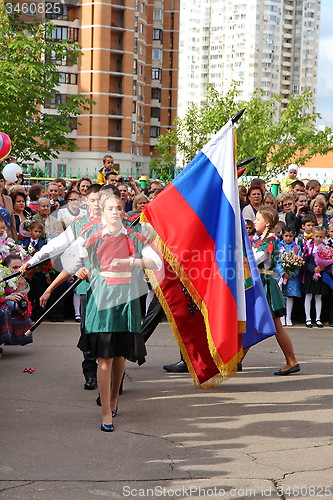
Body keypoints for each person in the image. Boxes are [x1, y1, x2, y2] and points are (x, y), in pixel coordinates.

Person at [66, 194, 161, 431]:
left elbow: (156, 262)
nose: (115, 212)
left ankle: (115, 398)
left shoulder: (136, 236)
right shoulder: (92, 236)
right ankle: (106, 411)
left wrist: (131, 262)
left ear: (124, 211)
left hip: (126, 300)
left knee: (119, 355)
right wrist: (81, 270)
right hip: (101, 300)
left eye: (119, 208)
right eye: (110, 208)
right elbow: (71, 260)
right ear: (103, 212)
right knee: (105, 356)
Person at [252, 207, 300, 375]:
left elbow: (254, 259)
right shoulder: (262, 239)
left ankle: (292, 361)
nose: (255, 222)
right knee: (251, 323)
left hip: (265, 285)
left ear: (267, 224)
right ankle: (236, 361)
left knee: (275, 325)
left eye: (258, 219)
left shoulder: (269, 241)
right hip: (259, 284)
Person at [0, 254, 33, 349]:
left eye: (20, 267)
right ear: (5, 268)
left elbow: (27, 306)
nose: (18, 270)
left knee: (26, 319)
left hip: (9, 310)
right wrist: (5, 299)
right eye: (14, 267)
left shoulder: (20, 282)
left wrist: (21, 311)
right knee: (4, 310)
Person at [302, 226, 329, 328]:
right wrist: (313, 269)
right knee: (308, 295)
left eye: (321, 237)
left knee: (318, 296)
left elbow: (329, 261)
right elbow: (304, 260)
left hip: (321, 274)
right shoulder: (308, 246)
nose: (318, 239)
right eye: (316, 236)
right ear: (312, 236)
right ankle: (308, 318)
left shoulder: (326, 247)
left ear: (324, 237)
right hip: (310, 274)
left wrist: (323, 267)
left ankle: (318, 318)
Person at [275, 226, 302, 326]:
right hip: (280, 276)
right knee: (281, 296)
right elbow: (275, 260)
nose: (288, 238)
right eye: (286, 235)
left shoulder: (296, 247)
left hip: (292, 276)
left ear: (294, 236)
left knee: (290, 296)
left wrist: (292, 273)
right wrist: (282, 272)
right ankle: (282, 317)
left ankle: (289, 317)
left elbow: (299, 260)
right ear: (282, 235)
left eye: (290, 236)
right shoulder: (278, 245)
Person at [0, 173, 17, 240]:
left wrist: (15, 240)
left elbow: (12, 221)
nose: (0, 184)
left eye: (1, 181)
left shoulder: (8, 199)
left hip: (8, 238)